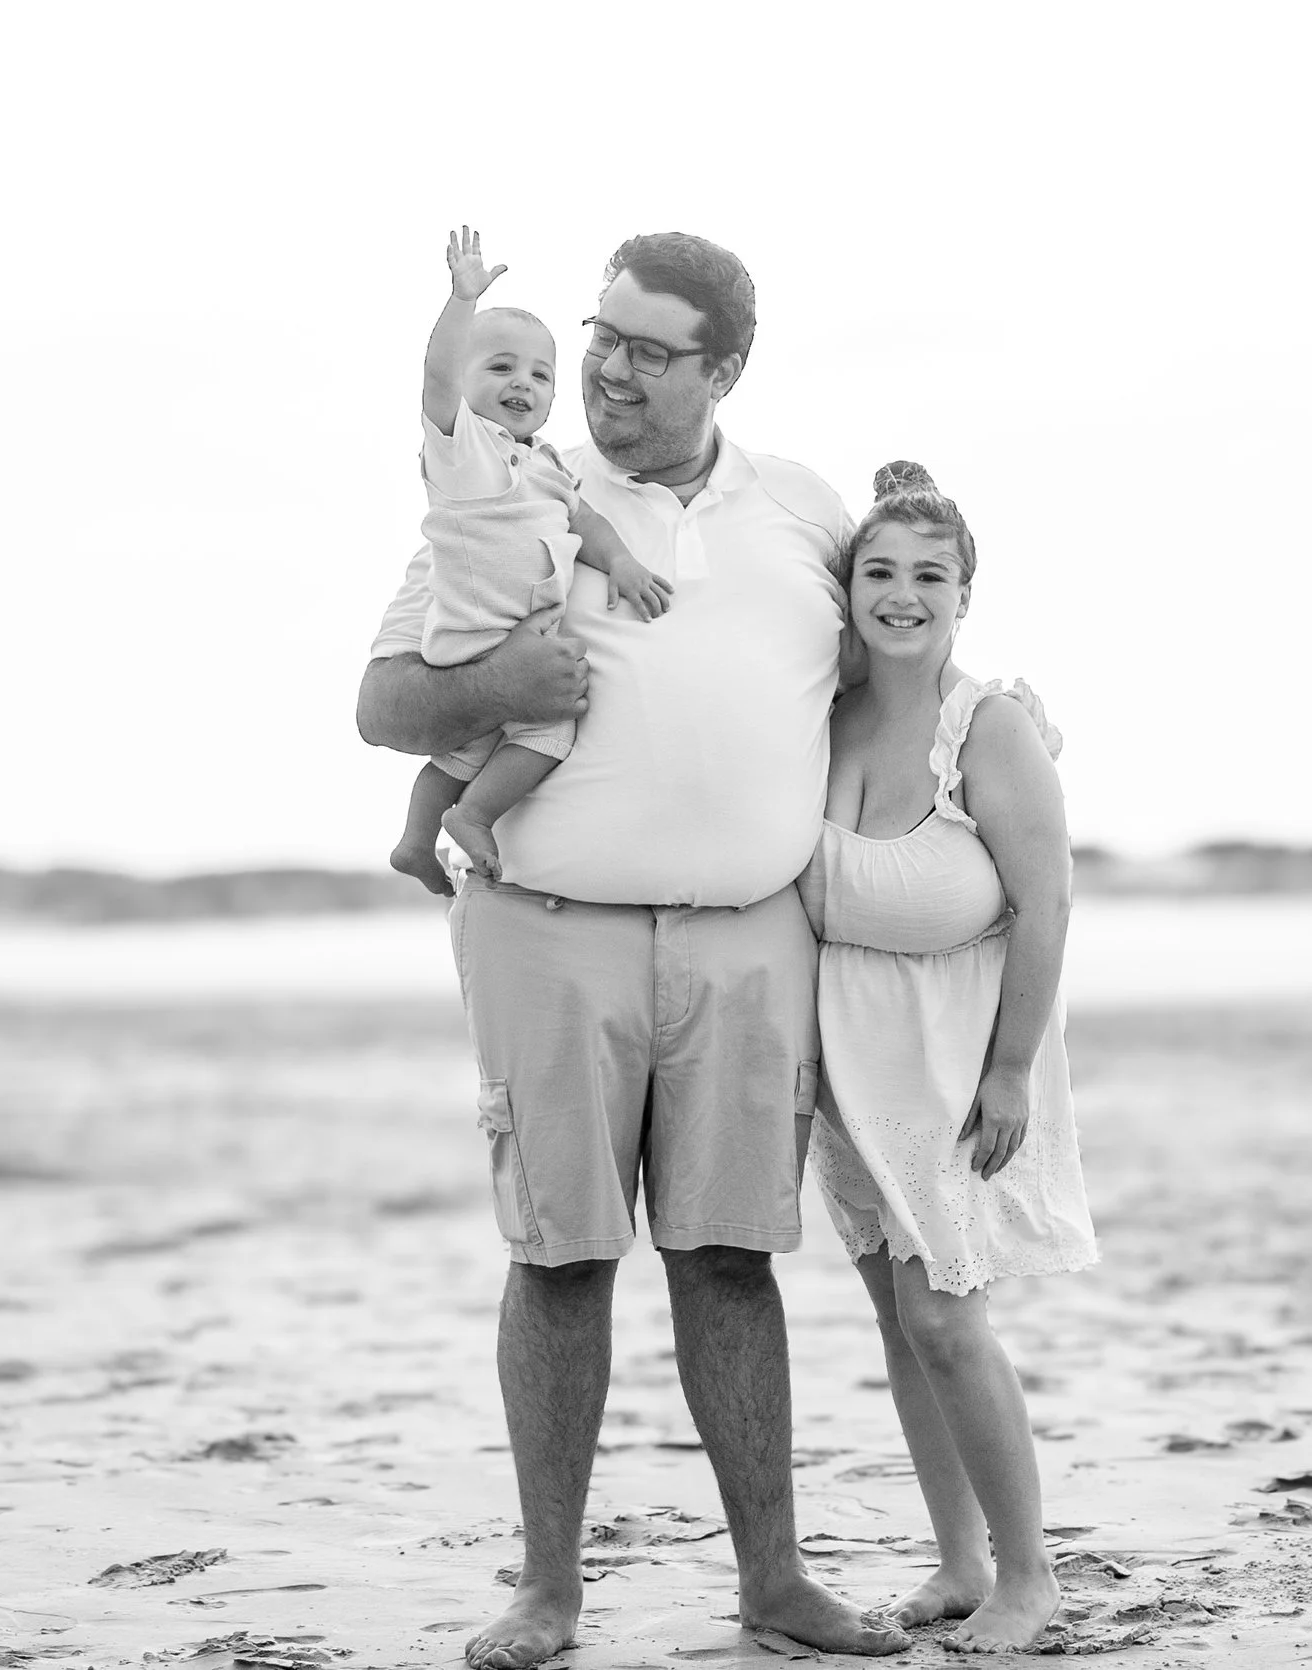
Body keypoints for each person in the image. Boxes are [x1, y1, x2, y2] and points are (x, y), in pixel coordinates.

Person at [357, 232, 910, 1663]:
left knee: (732, 1258)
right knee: (560, 1261)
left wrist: (1002, 739)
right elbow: (382, 702)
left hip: (748, 941)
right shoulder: (513, 481)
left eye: (646, 347)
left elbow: (885, 677)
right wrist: (501, 683)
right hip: (548, 933)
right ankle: (547, 1588)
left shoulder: (798, 508)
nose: (603, 364)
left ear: (724, 368)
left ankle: (775, 1581)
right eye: (601, 334)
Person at [805, 462, 1096, 1653]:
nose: (903, 593)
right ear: (849, 587)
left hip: (963, 1067)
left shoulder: (990, 724)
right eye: (880, 571)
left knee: (945, 1319)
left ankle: (1029, 1578)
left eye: (930, 574)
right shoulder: (817, 714)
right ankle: (960, 1562)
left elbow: (1049, 899)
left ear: (964, 595)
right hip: (850, 1069)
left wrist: (1012, 1067)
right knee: (895, 1315)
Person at [388, 228, 671, 896]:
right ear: (463, 384)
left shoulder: (543, 463)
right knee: (548, 736)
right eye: (500, 367)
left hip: (514, 631)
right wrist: (462, 303)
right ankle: (476, 816)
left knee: (462, 753)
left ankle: (413, 843)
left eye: (540, 374)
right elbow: (435, 377)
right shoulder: (466, 451)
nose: (523, 383)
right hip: (476, 634)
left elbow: (586, 521)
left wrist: (622, 563)